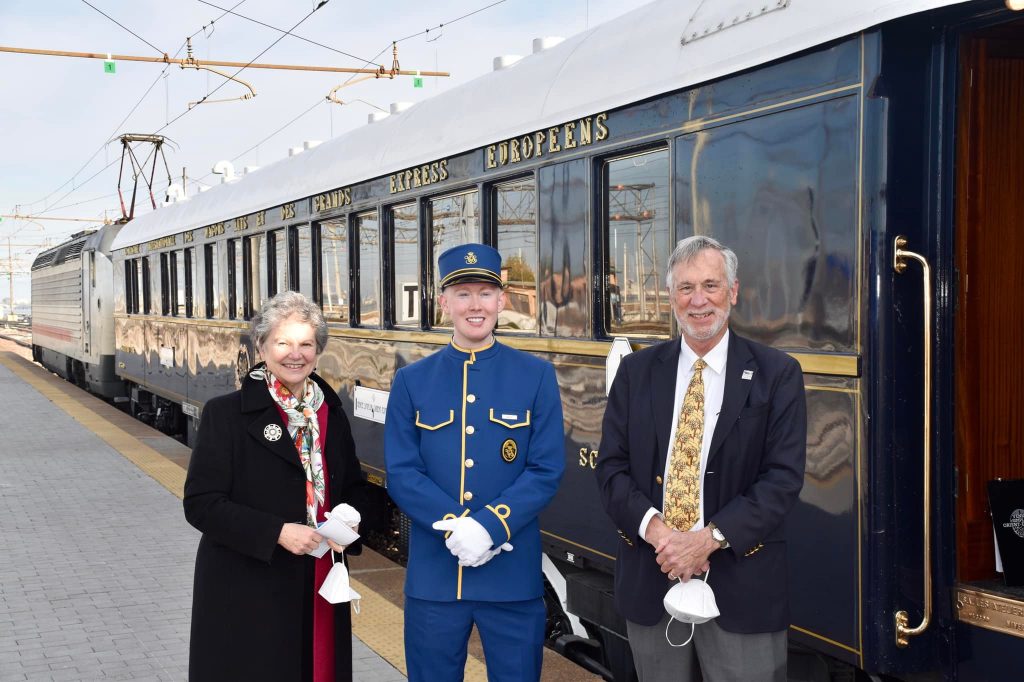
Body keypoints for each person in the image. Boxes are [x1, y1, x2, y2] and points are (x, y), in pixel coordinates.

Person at [595, 235, 806, 682]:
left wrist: (707, 540)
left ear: (732, 291)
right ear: (670, 296)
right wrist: (660, 535)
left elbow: (781, 480)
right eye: (686, 287)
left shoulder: (776, 374)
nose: (698, 300)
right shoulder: (635, 373)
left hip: (741, 586)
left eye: (711, 285)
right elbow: (611, 468)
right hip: (653, 578)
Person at [385, 243, 565, 681]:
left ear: (502, 300)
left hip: (512, 579)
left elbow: (545, 470)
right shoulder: (412, 381)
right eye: (462, 294)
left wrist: (487, 527)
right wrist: (456, 524)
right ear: (443, 303)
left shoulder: (535, 376)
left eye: (485, 293)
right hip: (435, 581)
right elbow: (403, 473)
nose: (475, 305)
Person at [184, 291, 369, 682]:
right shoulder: (226, 414)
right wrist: (278, 533)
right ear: (261, 347)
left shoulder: (330, 414)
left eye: (306, 344)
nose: (294, 354)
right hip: (247, 586)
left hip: (320, 576)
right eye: (282, 342)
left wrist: (350, 523)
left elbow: (354, 486)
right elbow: (201, 503)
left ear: (319, 351)